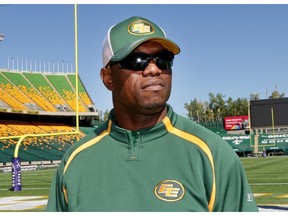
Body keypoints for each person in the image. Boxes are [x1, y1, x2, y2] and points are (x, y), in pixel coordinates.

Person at [46, 16, 258, 212]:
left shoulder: (212, 153)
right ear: (108, 77)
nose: (154, 69)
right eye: (137, 60)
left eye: (163, 59)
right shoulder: (75, 161)